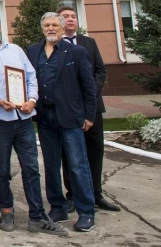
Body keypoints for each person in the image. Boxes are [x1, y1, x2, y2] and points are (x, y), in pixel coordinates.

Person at [0, 13, 68, 237]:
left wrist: (32, 99)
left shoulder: (16, 50)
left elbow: (31, 77)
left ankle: (37, 216)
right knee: (1, 171)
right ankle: (6, 210)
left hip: (23, 120)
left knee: (31, 169)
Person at [25, 12, 97, 233]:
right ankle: (58, 207)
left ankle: (86, 212)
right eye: (46, 25)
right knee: (51, 164)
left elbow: (88, 86)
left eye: (55, 24)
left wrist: (88, 116)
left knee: (77, 165)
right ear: (42, 29)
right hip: (45, 118)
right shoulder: (32, 51)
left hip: (69, 117)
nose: (50, 28)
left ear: (63, 27)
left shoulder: (76, 51)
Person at [57, 6, 119, 213]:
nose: (71, 19)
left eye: (73, 16)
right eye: (66, 16)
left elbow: (100, 70)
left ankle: (96, 193)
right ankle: (73, 195)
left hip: (92, 106)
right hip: (69, 108)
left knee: (95, 149)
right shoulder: (55, 45)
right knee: (71, 152)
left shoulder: (89, 42)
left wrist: (90, 92)